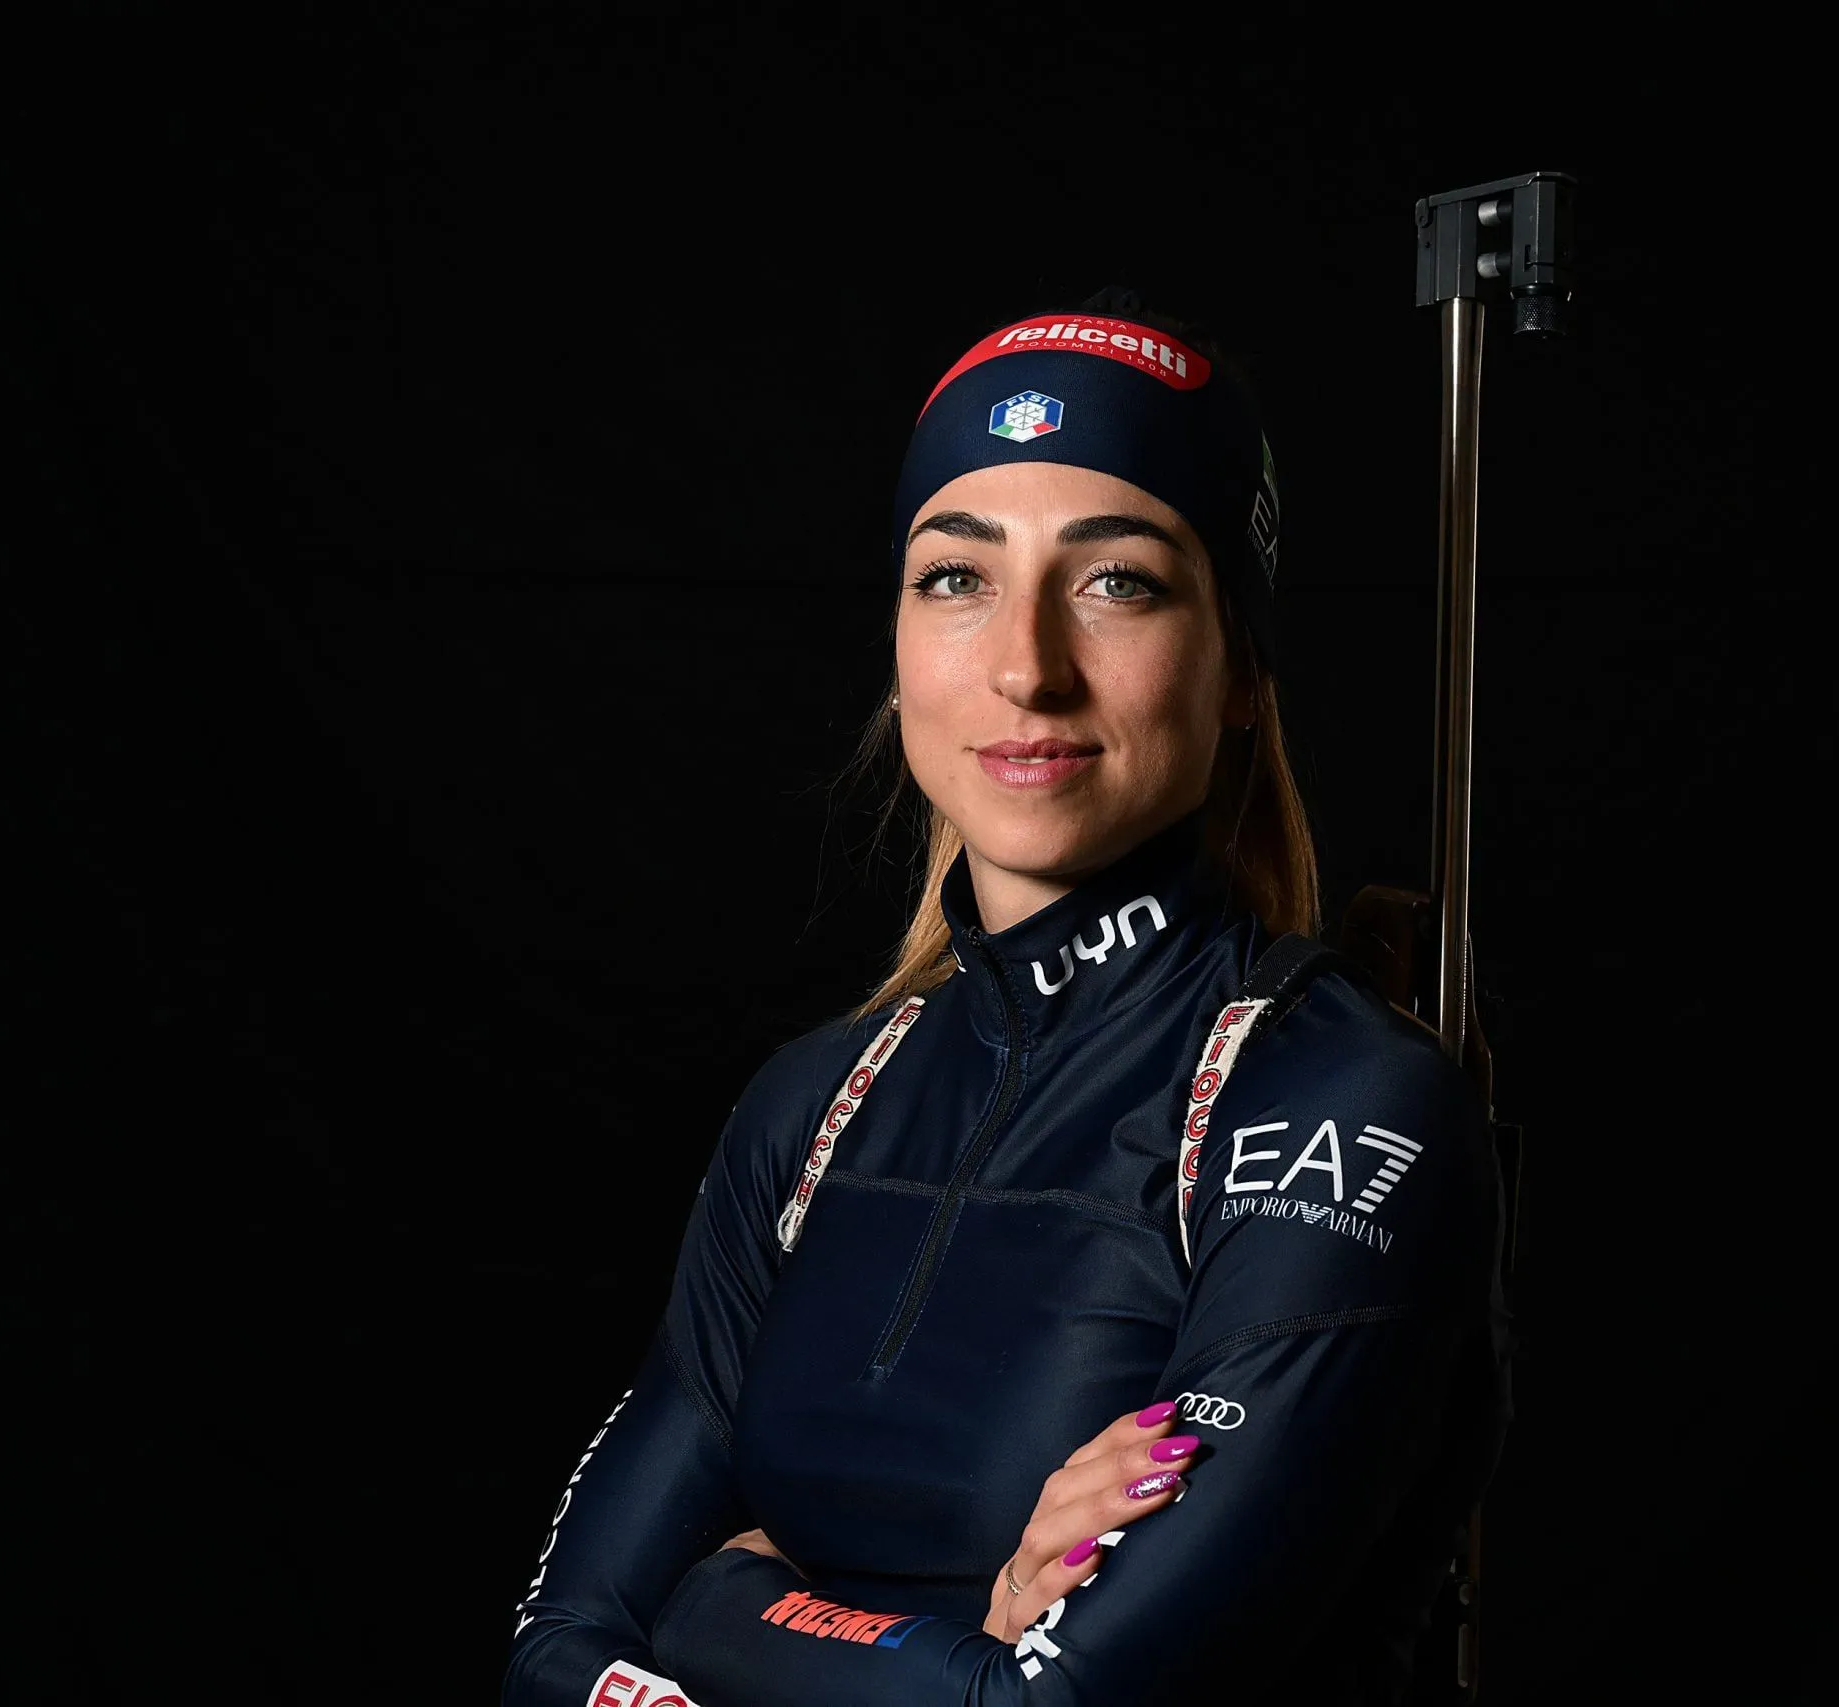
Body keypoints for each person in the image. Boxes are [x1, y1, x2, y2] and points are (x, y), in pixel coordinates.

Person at [502, 291, 1512, 1706]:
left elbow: (1052, 1704)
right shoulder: (816, 1105)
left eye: (1119, 581)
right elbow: (556, 1655)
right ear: (899, 640)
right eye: (955, 577)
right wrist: (961, 1643)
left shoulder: (1338, 1105)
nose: (1027, 666)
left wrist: (718, 1599)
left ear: (1239, 665)